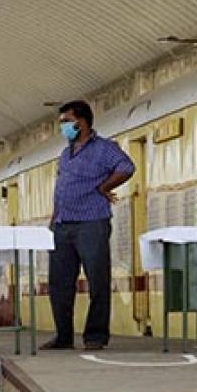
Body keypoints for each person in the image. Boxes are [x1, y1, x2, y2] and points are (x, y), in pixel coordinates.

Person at [43, 100, 133, 350]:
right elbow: (61, 188)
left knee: (97, 279)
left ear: (81, 122)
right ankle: (63, 336)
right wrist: (53, 220)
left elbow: (126, 167)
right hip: (62, 224)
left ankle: (95, 336)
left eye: (66, 122)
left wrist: (105, 187)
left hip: (91, 222)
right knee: (59, 283)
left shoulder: (104, 148)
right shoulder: (66, 153)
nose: (63, 127)